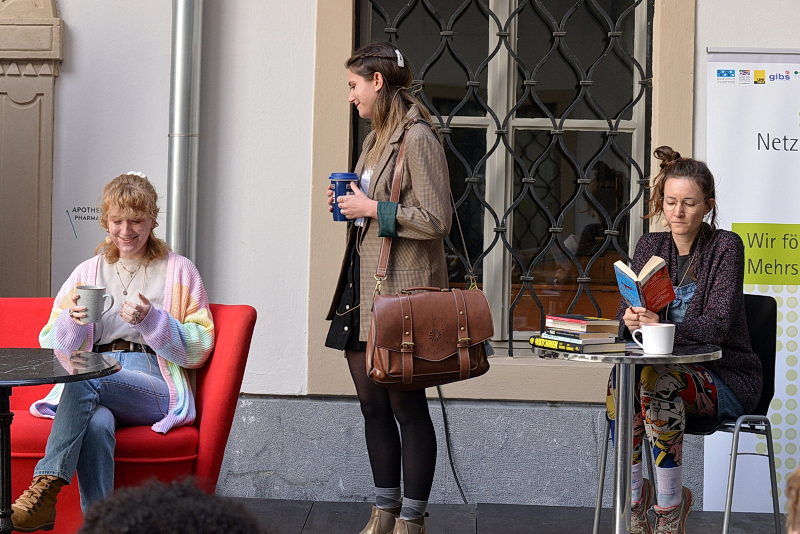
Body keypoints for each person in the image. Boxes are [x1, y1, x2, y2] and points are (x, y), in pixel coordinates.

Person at [11, 173, 215, 532]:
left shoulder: (179, 270)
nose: (126, 230)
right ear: (105, 222)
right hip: (93, 376)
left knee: (85, 377)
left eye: (136, 220)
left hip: (153, 381)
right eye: (117, 220)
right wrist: (74, 321)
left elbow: (199, 346)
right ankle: (101, 527)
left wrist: (153, 320)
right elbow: (51, 345)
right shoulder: (88, 271)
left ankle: (46, 485)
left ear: (152, 220)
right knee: (97, 423)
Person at [325, 41, 452, 534]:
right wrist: (351, 205)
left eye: (353, 85)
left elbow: (437, 219)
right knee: (371, 404)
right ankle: (383, 512)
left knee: (406, 406)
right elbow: (373, 208)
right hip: (363, 288)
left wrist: (372, 209)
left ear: (377, 81)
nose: (350, 96)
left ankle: (411, 520)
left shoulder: (417, 137)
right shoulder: (375, 139)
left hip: (403, 293)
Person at [607, 146, 762, 534]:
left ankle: (669, 509)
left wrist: (660, 326)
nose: (677, 212)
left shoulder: (725, 246)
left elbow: (717, 326)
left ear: (707, 206)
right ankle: (635, 502)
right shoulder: (650, 246)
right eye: (671, 202)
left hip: (724, 377)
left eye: (689, 203)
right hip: (659, 377)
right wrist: (630, 319)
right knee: (621, 380)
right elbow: (627, 316)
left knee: (655, 381)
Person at [78, 479, 265, 534]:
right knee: (98, 423)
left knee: (82, 394)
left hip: (164, 401)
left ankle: (58, 477)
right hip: (111, 405)